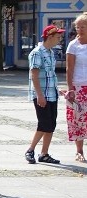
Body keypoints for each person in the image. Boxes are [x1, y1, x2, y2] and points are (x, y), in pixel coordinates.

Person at [25, 25, 66, 165]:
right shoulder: (37, 53)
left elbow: (50, 75)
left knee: (51, 124)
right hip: (42, 94)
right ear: (49, 37)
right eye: (58, 37)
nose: (59, 40)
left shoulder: (50, 52)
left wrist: (58, 89)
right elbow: (34, 75)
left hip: (52, 94)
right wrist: (39, 95)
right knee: (44, 124)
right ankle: (30, 150)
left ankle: (44, 153)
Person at [65, 14, 87, 162]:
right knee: (79, 119)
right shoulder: (73, 45)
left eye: (83, 26)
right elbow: (69, 68)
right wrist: (70, 88)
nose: (79, 29)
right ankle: (79, 150)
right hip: (79, 86)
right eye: (77, 27)